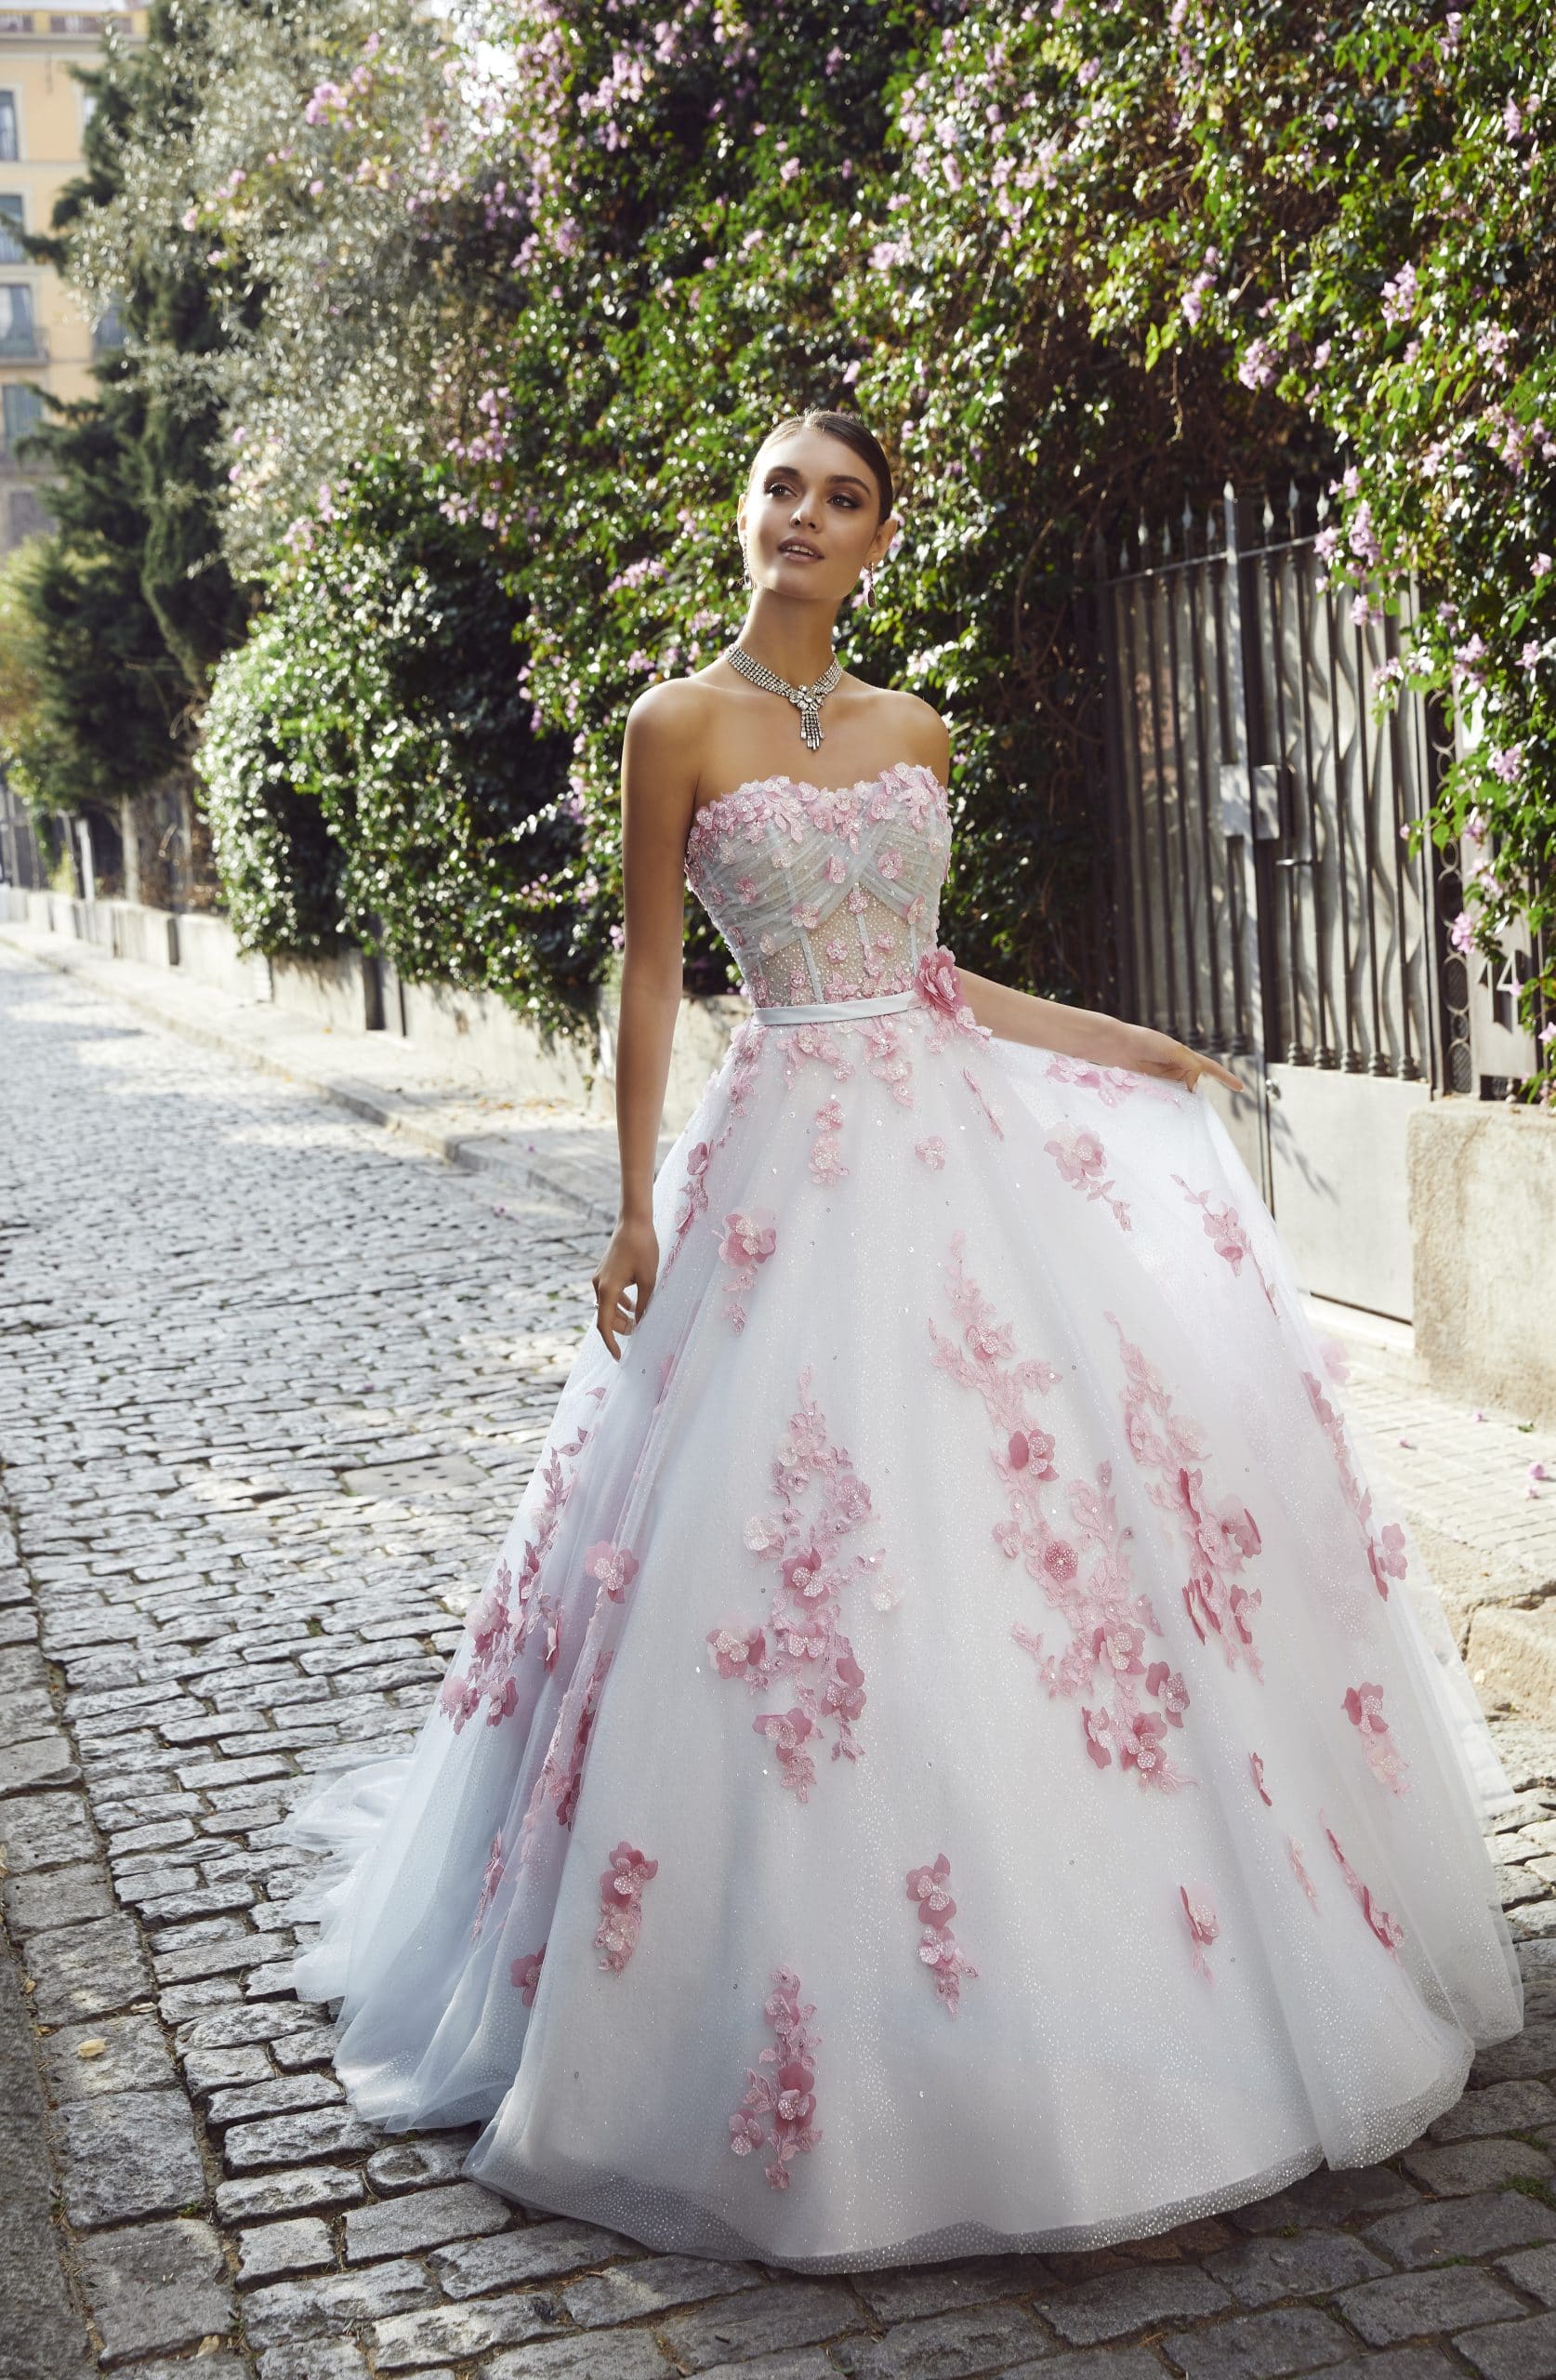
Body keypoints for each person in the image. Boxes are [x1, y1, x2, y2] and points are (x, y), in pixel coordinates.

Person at [284, 408, 1523, 2275]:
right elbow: (645, 965)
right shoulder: (671, 725)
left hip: (950, 1158)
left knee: (1034, 1543)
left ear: (877, 543)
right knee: (785, 1567)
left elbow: (939, 976)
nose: (803, 515)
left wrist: (1130, 1043)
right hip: (780, 1164)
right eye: (781, 484)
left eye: (841, 498)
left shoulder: (915, 728)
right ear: (743, 509)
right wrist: (633, 1208)